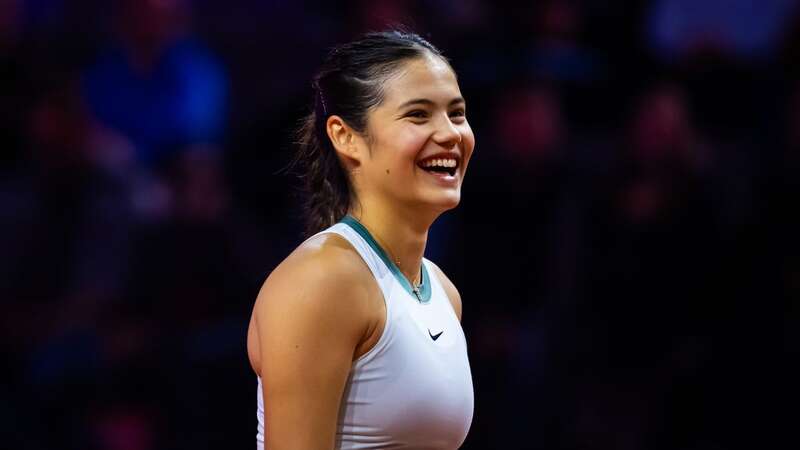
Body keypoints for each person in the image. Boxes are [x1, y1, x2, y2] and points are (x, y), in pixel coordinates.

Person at [246, 30, 475, 449]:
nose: (450, 134)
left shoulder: (442, 290)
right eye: (419, 115)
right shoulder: (323, 280)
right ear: (345, 137)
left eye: (456, 114)